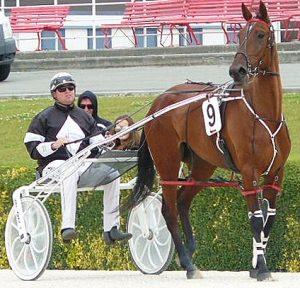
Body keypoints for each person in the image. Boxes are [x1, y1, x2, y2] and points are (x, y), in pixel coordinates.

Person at [78, 91, 132, 245]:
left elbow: (113, 143)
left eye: (90, 106)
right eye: (83, 106)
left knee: (114, 174)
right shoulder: (73, 124)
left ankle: (112, 228)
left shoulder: (104, 125)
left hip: (97, 165)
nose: (87, 109)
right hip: (78, 165)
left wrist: (109, 141)